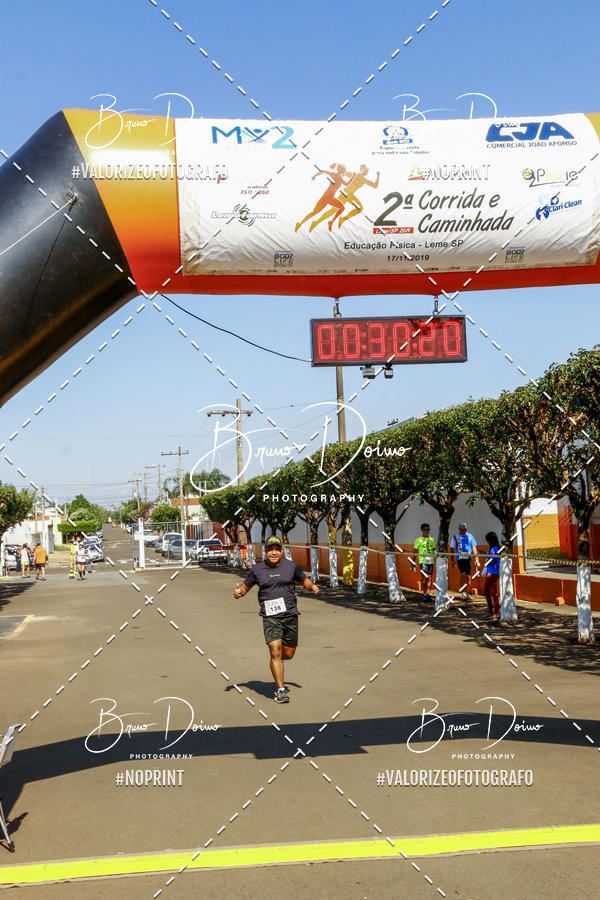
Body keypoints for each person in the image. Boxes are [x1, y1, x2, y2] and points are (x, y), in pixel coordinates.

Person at [232, 535, 320, 703]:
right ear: (265, 552)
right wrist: (238, 593)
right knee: (275, 650)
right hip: (270, 616)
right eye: (270, 549)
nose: (273, 552)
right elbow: (245, 587)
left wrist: (312, 587)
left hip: (290, 615)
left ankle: (278, 661)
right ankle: (280, 690)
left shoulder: (291, 566)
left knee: (288, 653)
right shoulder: (257, 570)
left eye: (276, 549)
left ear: (281, 551)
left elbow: (305, 581)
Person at [450, 522, 478, 597]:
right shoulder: (456, 537)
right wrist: (452, 560)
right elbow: (452, 548)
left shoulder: (470, 536)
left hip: (468, 557)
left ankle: (467, 592)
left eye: (465, 529)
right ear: (459, 529)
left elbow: (474, 547)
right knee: (463, 574)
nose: (464, 531)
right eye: (462, 530)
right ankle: (463, 592)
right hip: (460, 557)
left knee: (468, 576)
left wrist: (476, 558)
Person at [413, 523, 436, 602]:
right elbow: (415, 551)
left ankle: (427, 594)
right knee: (424, 577)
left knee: (429, 577)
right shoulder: (418, 540)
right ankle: (424, 593)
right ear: (422, 530)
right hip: (423, 561)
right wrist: (413, 561)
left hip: (430, 561)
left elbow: (433, 550)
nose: (427, 531)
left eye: (428, 530)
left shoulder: (432, 539)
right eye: (426, 530)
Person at [481, 531, 501, 619]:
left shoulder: (494, 549)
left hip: (493, 573)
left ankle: (496, 612)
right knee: (486, 591)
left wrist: (487, 558)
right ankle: (490, 611)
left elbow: (492, 562)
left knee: (493, 593)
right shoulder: (493, 549)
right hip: (490, 572)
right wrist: (485, 554)